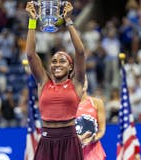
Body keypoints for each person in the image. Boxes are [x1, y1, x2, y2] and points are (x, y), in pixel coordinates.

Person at [25, 1, 85, 160]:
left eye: (62, 61)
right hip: (46, 140)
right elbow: (30, 54)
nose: (57, 64)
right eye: (54, 61)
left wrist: (68, 21)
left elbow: (80, 52)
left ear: (71, 67)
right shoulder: (43, 82)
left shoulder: (76, 83)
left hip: (70, 141)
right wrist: (32, 20)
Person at [76, 77, 106, 160]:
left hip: (94, 153)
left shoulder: (97, 103)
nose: (83, 83)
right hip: (74, 152)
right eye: (79, 80)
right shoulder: (67, 106)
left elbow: (101, 129)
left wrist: (94, 138)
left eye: (84, 80)